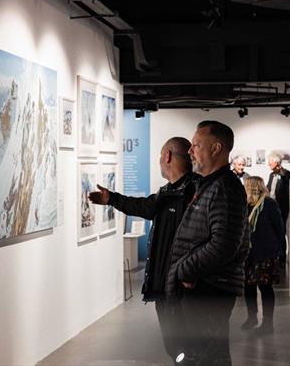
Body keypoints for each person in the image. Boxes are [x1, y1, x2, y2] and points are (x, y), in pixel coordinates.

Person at [89, 137, 198, 365]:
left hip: (184, 286)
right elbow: (146, 208)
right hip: (165, 285)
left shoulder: (194, 191)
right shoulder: (170, 191)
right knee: (175, 347)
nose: (159, 161)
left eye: (160, 156)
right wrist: (112, 199)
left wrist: (191, 272)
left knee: (189, 348)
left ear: (167, 156)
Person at [165, 121, 250, 366]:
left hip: (208, 290)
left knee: (206, 357)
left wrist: (185, 269)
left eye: (196, 145)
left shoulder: (224, 188)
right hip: (202, 288)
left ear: (216, 149)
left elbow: (223, 245)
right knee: (202, 355)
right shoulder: (210, 184)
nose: (190, 151)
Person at [242, 176, 284, 334]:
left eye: (246, 186)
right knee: (248, 287)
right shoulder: (247, 205)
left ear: (252, 187)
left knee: (265, 288)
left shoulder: (269, 204)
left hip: (265, 253)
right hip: (249, 254)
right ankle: (251, 317)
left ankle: (268, 323)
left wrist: (276, 251)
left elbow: (280, 229)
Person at [267, 151, 290, 262]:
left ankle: (282, 258)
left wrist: (279, 168)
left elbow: (285, 176)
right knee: (272, 231)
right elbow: (268, 188)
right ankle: (273, 256)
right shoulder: (271, 175)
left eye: (270, 162)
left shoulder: (286, 173)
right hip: (271, 207)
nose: (268, 164)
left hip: (282, 208)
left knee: (281, 231)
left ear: (277, 163)